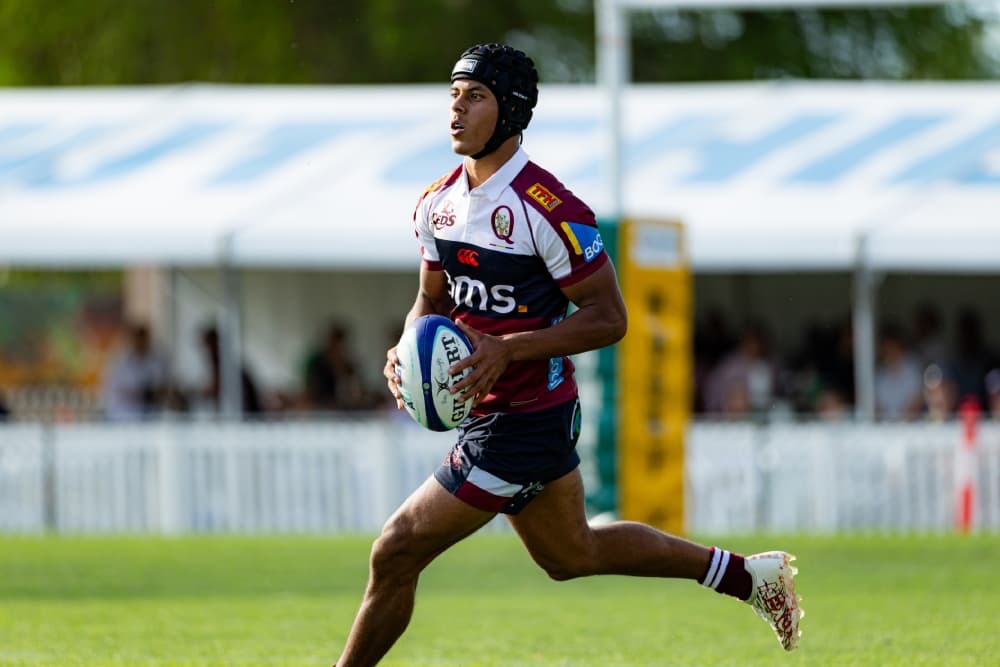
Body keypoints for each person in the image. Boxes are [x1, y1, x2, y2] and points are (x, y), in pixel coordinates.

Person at [333, 44, 802, 667]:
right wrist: (405, 345)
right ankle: (749, 578)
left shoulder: (548, 210)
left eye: (474, 97)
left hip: (523, 420)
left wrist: (508, 350)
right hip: (502, 414)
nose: (456, 111)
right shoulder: (435, 205)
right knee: (571, 555)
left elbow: (610, 319)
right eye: (453, 96)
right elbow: (429, 299)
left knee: (394, 551)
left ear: (511, 111)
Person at [100, 323, 168, 421]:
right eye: (138, 339)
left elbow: (162, 389)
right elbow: (119, 393)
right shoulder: (120, 364)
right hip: (121, 418)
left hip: (149, 419)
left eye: (144, 339)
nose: (141, 342)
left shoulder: (157, 361)